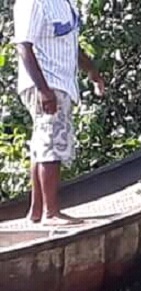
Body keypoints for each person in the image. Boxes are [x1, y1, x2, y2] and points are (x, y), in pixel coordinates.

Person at [13, 0, 105, 225]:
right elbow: (23, 46)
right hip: (46, 82)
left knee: (42, 145)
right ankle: (51, 213)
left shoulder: (65, 2)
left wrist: (91, 70)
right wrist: (44, 90)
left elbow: (71, 44)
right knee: (51, 145)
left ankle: (37, 211)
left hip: (61, 83)